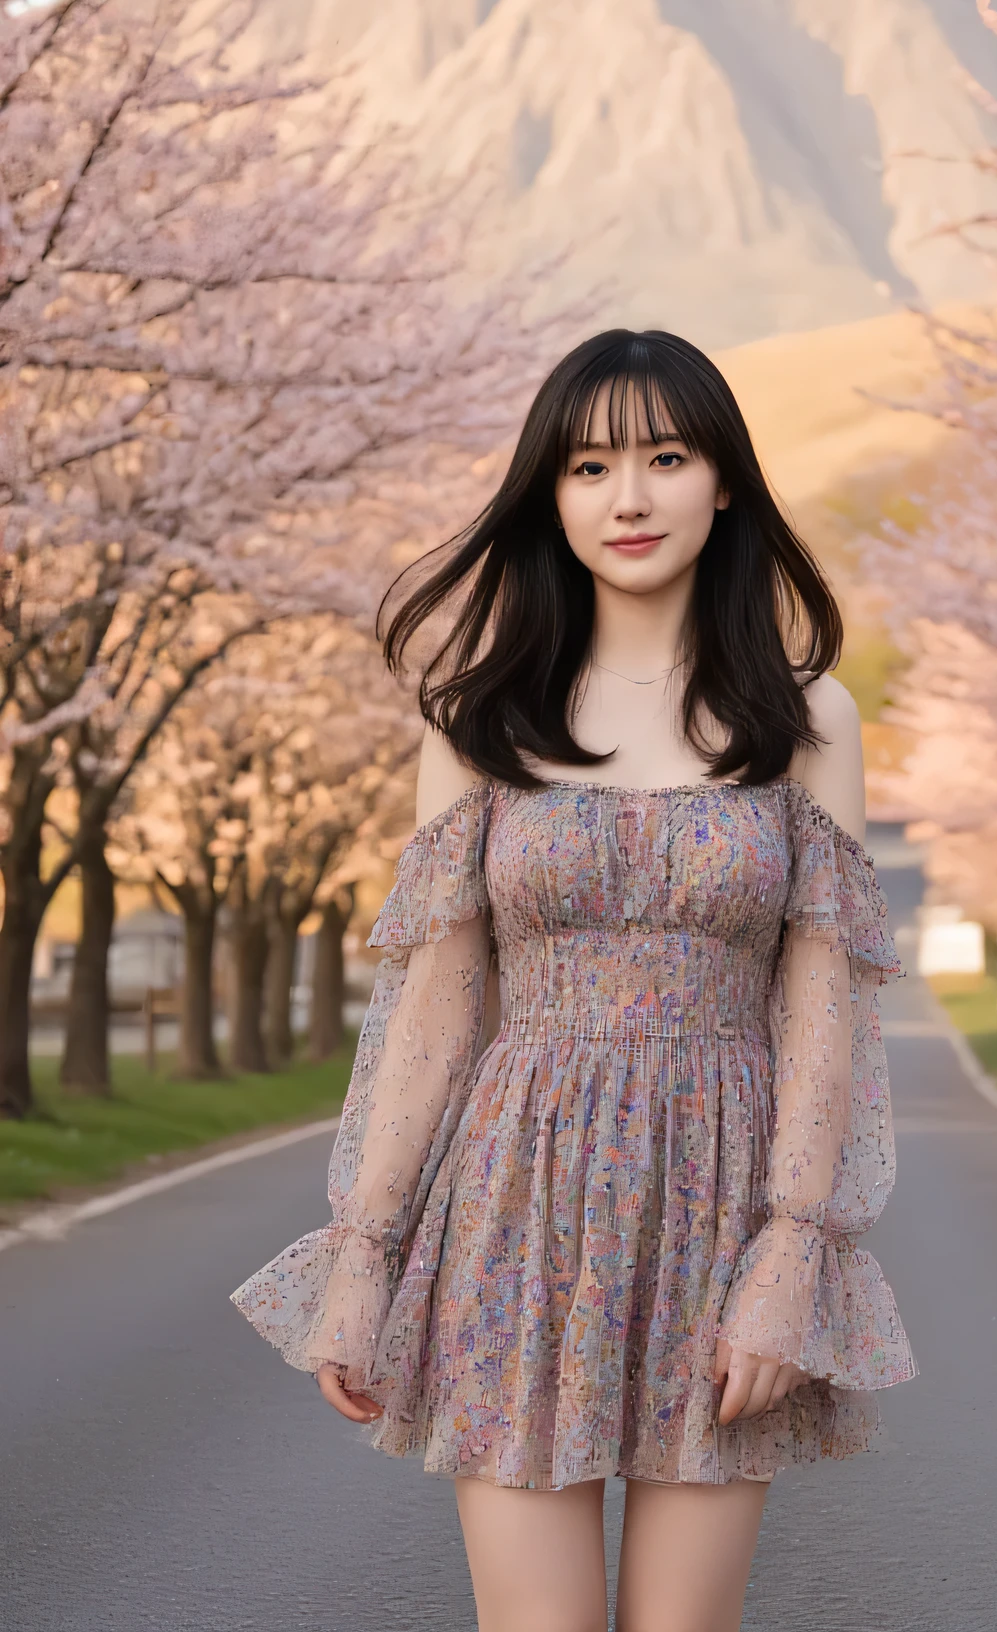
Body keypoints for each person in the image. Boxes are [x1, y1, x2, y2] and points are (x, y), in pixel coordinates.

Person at [232, 329, 915, 1632]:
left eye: (666, 456)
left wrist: (795, 1245)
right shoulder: (476, 714)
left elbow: (824, 1006)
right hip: (515, 1200)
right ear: (550, 492)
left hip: (720, 1202)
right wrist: (365, 1250)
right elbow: (435, 1007)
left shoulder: (808, 721)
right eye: (591, 465)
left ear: (724, 483)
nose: (631, 496)